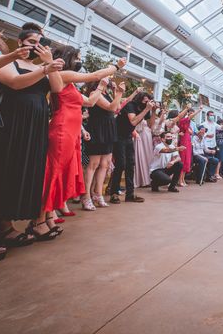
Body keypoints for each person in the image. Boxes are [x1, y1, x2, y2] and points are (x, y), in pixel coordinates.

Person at [0, 29, 65, 248]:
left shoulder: (42, 65)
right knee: (0, 171)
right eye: (32, 41)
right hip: (10, 122)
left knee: (18, 172)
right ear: (20, 42)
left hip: (34, 124)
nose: (36, 45)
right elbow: (14, 83)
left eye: (41, 42)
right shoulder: (6, 61)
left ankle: (6, 226)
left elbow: (57, 87)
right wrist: (45, 68)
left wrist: (47, 65)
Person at [38, 46, 123, 231]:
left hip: (72, 131)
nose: (79, 61)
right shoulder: (63, 75)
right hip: (62, 130)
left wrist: (102, 88)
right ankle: (40, 219)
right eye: (77, 57)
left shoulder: (69, 84)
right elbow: (93, 76)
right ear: (68, 59)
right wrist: (116, 66)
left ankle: (49, 213)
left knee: (61, 172)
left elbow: (90, 102)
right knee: (55, 172)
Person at [81, 80, 126, 210]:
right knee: (93, 164)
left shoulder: (107, 93)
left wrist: (116, 93)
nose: (110, 80)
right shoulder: (96, 92)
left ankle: (98, 194)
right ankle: (86, 196)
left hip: (109, 128)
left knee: (105, 164)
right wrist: (119, 93)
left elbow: (117, 108)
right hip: (98, 128)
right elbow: (111, 107)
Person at [109, 91, 155, 204]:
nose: (147, 103)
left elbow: (150, 125)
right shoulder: (131, 106)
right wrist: (146, 109)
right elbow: (133, 121)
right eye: (145, 101)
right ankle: (114, 192)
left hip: (128, 137)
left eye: (149, 101)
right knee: (120, 164)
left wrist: (153, 110)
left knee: (131, 164)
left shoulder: (144, 108)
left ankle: (130, 194)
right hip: (118, 136)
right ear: (140, 99)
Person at [173, 103, 202, 185]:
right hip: (183, 141)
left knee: (187, 160)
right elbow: (190, 117)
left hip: (188, 140)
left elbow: (192, 132)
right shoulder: (182, 120)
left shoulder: (188, 122)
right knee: (183, 159)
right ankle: (180, 180)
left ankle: (182, 179)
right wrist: (199, 110)